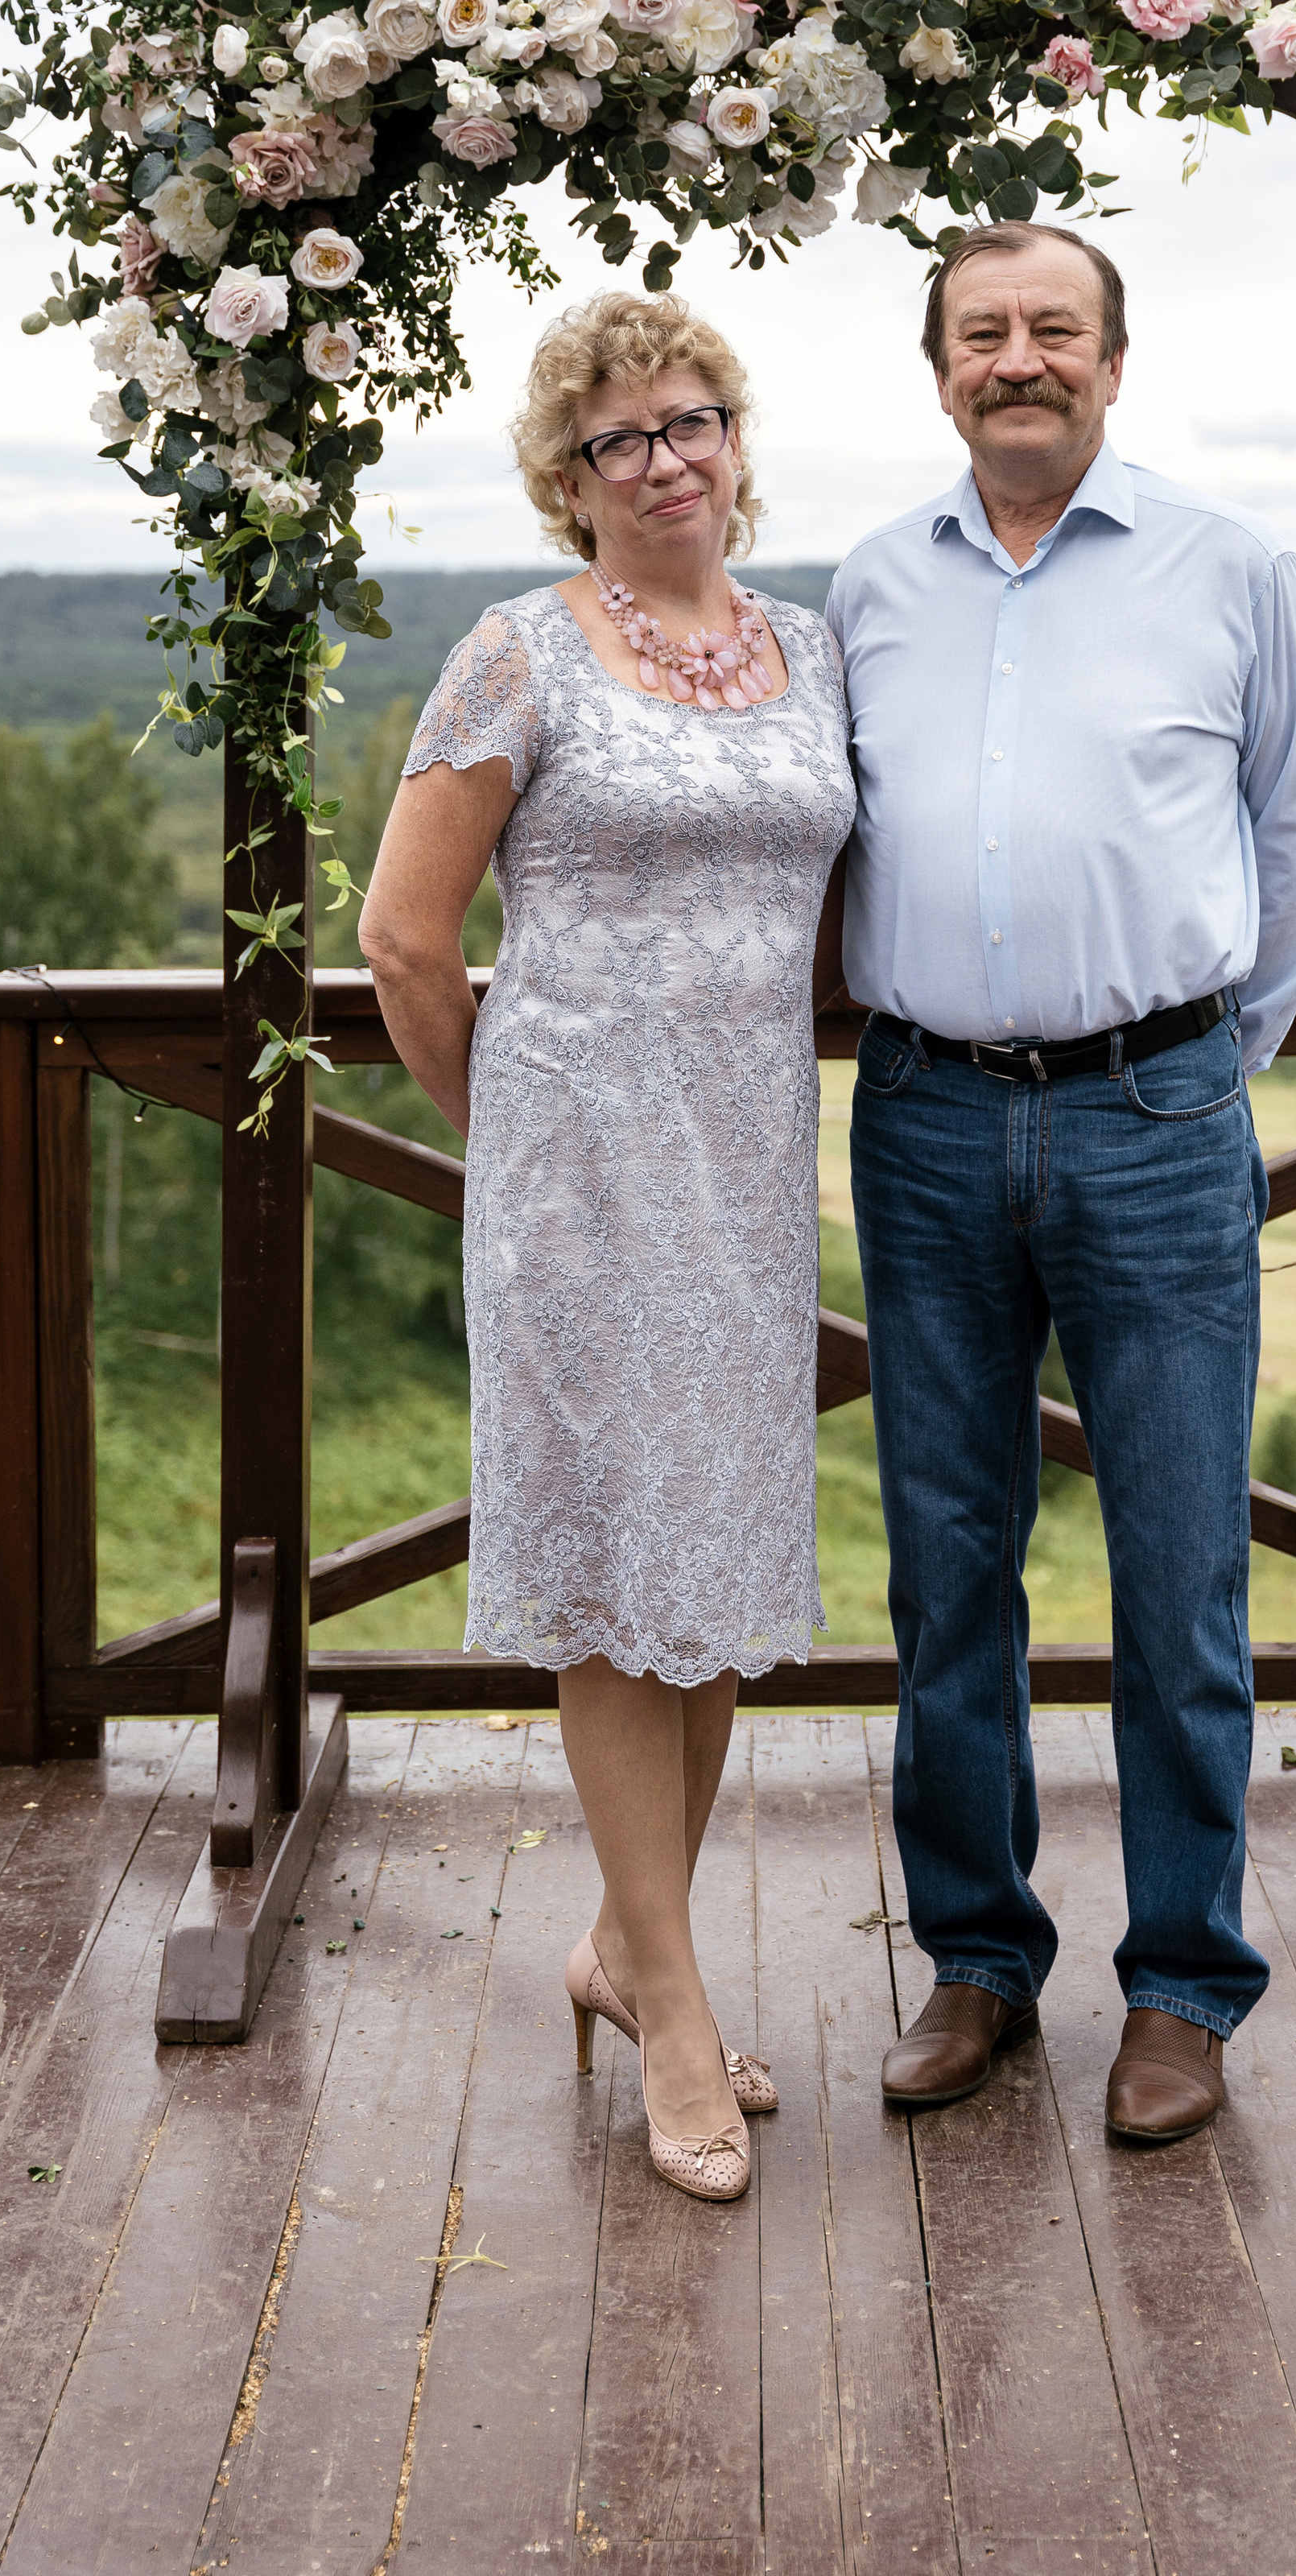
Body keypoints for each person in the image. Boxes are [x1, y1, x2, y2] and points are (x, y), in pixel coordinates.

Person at [825, 220, 1296, 2142]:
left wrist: (1204, 1061)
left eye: (1055, 327)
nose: (1018, 357)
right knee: (946, 1570)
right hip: (926, 1120)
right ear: (939, 370)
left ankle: (1184, 1988)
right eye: (984, 332)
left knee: (1177, 1577)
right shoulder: (872, 581)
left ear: (1114, 363)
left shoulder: (1232, 570)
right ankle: (973, 1964)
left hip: (1150, 1119)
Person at [360, 291, 855, 2202]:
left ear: (739, 441)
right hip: (572, 1180)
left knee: (712, 1567)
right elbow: (408, 939)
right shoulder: (514, 655)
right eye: (615, 439)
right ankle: (666, 2007)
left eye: (691, 419)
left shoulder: (809, 650)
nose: (662, 458)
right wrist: (512, 1138)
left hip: (741, 1174)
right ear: (566, 482)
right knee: (601, 1575)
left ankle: (614, 1944)